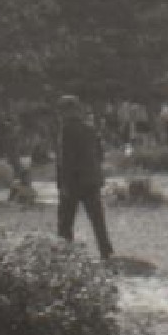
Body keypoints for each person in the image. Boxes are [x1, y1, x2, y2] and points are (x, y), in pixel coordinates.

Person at [54, 94, 114, 260]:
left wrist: (64, 183)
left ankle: (65, 256)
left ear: (65, 112)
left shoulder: (66, 130)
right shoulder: (90, 128)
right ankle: (106, 252)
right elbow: (100, 154)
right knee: (98, 220)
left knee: (65, 223)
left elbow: (66, 159)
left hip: (73, 182)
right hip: (92, 180)